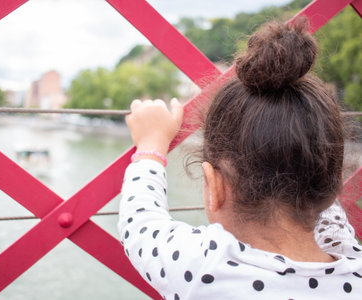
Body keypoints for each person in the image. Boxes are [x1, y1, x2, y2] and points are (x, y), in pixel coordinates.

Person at [118, 20, 362, 299]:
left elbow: (140, 226)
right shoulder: (351, 261)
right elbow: (325, 202)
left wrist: (151, 147)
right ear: (335, 186)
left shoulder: (205, 268)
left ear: (216, 186)